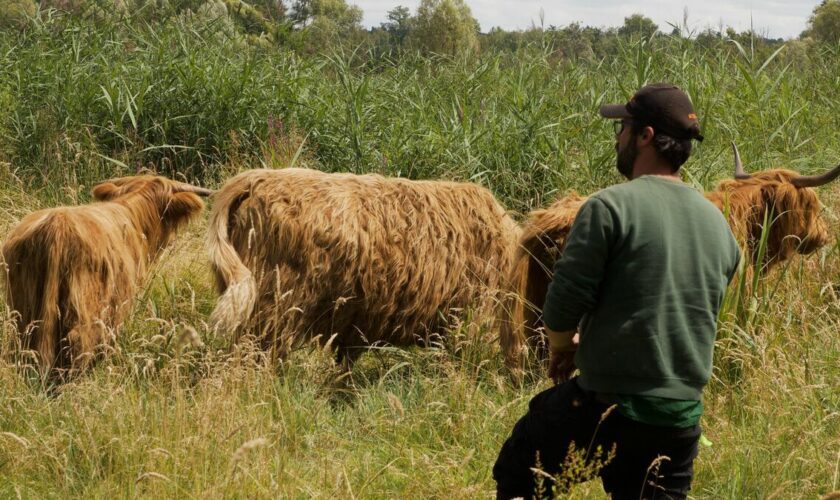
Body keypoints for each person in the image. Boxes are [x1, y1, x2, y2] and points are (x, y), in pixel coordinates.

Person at [493, 83, 741, 499]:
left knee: (520, 472)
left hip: (609, 405)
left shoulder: (608, 207)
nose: (617, 138)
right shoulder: (718, 224)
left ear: (645, 136)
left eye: (623, 128)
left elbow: (561, 309)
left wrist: (563, 346)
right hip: (680, 417)